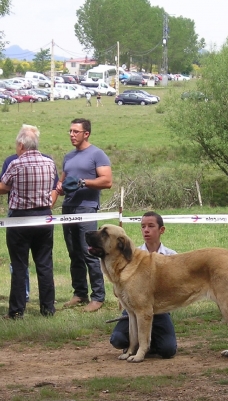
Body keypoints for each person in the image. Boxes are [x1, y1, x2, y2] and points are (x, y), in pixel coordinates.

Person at [0, 125, 57, 319]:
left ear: (21, 145)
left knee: (20, 265)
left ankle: (16, 310)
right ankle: (48, 308)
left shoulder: (16, 164)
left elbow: (1, 187)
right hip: (43, 217)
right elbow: (54, 186)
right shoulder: (50, 163)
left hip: (20, 219)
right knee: (45, 264)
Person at [56, 118, 112, 312]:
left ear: (86, 134)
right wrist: (59, 189)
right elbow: (62, 182)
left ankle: (98, 297)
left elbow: (107, 181)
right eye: (70, 131)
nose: (72, 134)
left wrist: (83, 183)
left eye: (76, 131)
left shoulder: (97, 154)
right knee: (74, 253)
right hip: (68, 208)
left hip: (86, 209)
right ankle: (80, 293)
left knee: (90, 252)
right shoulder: (68, 157)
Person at [109, 212, 178, 358]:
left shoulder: (172, 256)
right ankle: (139, 345)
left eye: (151, 226)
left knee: (168, 350)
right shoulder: (131, 256)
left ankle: (146, 343)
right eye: (143, 226)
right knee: (117, 340)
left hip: (160, 310)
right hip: (133, 307)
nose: (146, 230)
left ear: (162, 230)